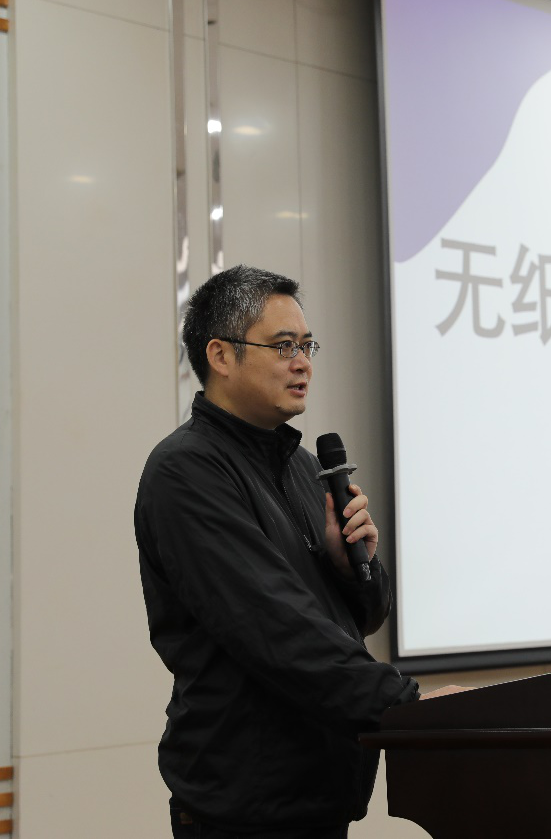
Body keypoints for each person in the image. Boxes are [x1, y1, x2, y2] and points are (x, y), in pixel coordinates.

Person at [135, 265, 446, 839]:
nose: (303, 363)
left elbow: (366, 616)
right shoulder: (187, 471)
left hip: (320, 794)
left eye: (307, 346)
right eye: (283, 346)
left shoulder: (305, 467)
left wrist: (352, 568)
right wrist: (409, 705)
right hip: (244, 809)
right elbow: (272, 626)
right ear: (221, 355)